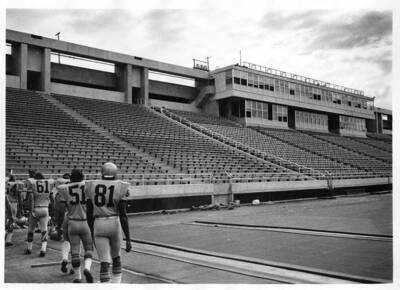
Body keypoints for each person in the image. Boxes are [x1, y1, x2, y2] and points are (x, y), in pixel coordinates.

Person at [85, 162, 132, 283]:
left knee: (104, 262)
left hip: (99, 223)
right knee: (116, 258)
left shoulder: (91, 186)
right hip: (114, 222)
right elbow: (123, 215)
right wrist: (128, 238)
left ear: (102, 173)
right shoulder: (121, 186)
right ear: (115, 173)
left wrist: (92, 231)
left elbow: (89, 213)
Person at [58, 169, 93, 283]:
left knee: (75, 250)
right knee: (88, 249)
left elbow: (61, 208)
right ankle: (87, 268)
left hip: (72, 221)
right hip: (84, 221)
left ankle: (78, 276)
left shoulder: (65, 188)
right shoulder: (88, 186)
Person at [25, 172, 55, 257]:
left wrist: (31, 210)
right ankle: (43, 249)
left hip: (35, 207)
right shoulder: (48, 183)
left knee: (31, 230)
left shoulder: (33, 183)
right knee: (44, 229)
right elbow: (52, 199)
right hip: (45, 208)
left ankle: (29, 248)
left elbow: (31, 198)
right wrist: (53, 209)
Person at [5, 175, 24, 246]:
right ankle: (8, 240)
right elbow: (20, 198)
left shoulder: (6, 184)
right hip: (13, 204)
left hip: (5, 202)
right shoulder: (17, 185)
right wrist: (21, 208)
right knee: (11, 221)